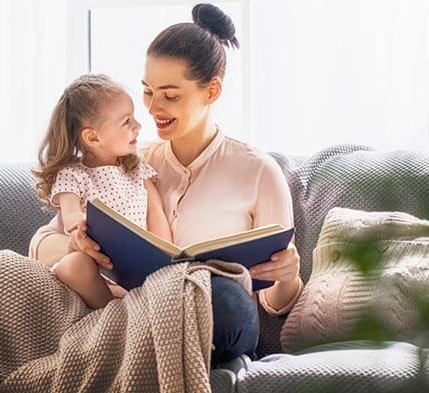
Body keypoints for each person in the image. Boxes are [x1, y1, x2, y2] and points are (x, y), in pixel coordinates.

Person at [29, 3, 303, 365]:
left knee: (223, 299)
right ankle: (133, 338)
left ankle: (140, 333)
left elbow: (274, 302)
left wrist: (289, 277)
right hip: (132, 305)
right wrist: (77, 245)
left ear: (212, 91)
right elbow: (40, 245)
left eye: (170, 95)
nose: (153, 108)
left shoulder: (258, 171)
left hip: (219, 317)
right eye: (147, 91)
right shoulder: (126, 160)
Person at [31, 73, 173, 310]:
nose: (138, 126)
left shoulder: (137, 169)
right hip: (95, 269)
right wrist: (81, 230)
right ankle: (115, 318)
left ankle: (124, 311)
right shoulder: (74, 175)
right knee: (74, 264)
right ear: (93, 137)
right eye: (126, 121)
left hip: (135, 271)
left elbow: (155, 209)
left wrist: (166, 257)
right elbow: (72, 217)